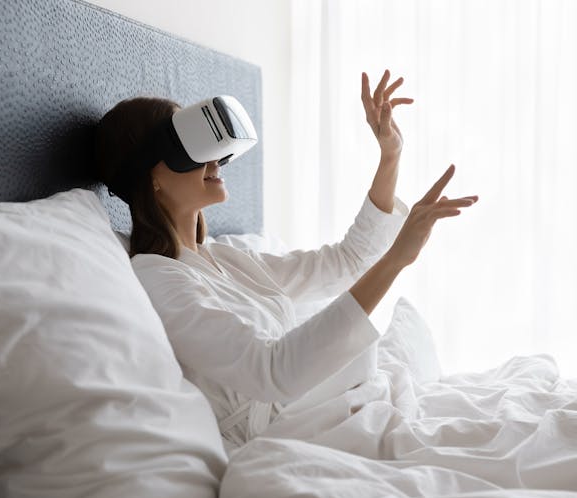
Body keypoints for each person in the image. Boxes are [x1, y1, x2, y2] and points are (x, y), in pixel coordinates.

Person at [94, 70, 478, 449]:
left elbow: (347, 261)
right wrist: (395, 260)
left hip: (336, 405)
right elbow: (272, 372)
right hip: (291, 432)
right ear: (152, 177)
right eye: (191, 147)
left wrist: (390, 155)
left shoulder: (227, 259)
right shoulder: (157, 277)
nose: (213, 157)